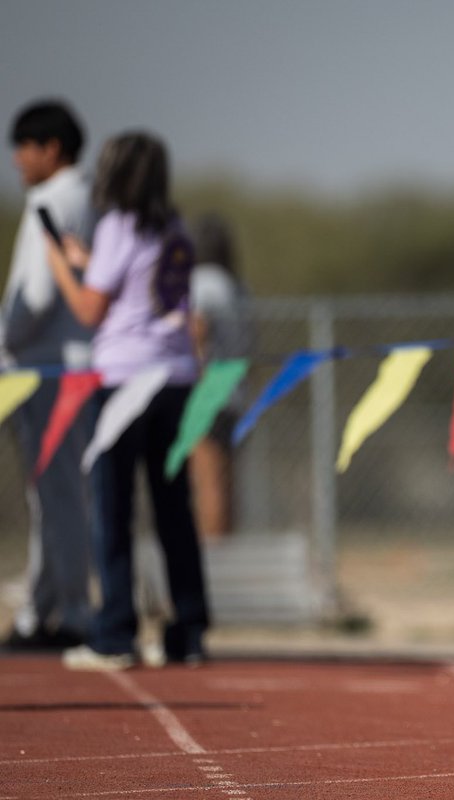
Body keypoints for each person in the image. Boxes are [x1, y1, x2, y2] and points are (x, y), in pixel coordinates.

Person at [44, 131, 210, 671]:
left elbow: (92, 310)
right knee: (172, 510)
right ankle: (188, 632)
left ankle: (113, 634)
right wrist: (88, 261)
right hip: (176, 377)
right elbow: (148, 292)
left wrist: (62, 267)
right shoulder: (176, 230)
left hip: (123, 381)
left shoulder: (117, 225)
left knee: (112, 509)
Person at [1, 100, 94, 652]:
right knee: (60, 495)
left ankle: (67, 612)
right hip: (73, 367)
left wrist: (6, 339)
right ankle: (48, 607)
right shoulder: (90, 198)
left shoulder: (50, 201)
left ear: (50, 149)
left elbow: (35, 293)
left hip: (45, 369)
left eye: (23, 147)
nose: (16, 161)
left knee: (55, 496)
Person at [188, 212, 253, 540]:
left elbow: (197, 329)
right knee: (227, 486)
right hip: (236, 395)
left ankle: (212, 565)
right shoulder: (237, 288)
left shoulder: (202, 283)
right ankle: (226, 553)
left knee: (207, 487)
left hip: (206, 395)